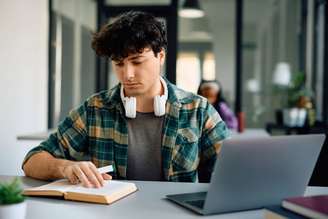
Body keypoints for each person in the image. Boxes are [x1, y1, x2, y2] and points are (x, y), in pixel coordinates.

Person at [22, 11, 229, 188]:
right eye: (119, 64)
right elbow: (32, 160)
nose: (127, 74)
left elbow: (232, 170)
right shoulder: (95, 109)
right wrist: (66, 167)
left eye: (137, 62)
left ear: (161, 57)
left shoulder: (198, 110)